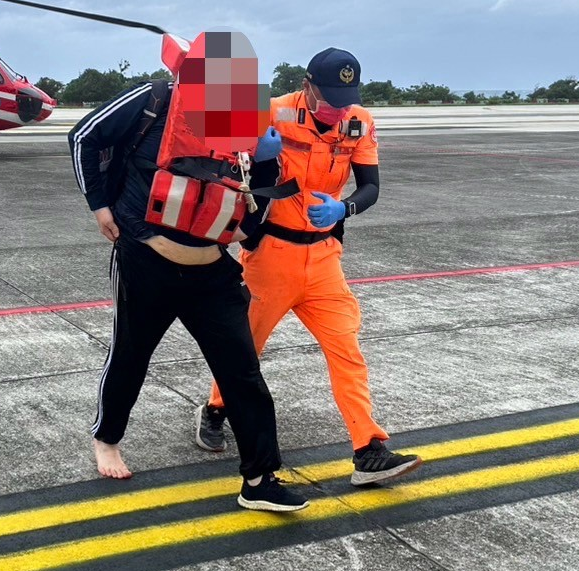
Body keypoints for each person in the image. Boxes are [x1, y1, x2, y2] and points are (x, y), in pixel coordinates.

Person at [70, 76, 309, 513]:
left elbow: (257, 195)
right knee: (130, 354)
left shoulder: (245, 119)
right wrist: (98, 205)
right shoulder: (155, 100)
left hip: (210, 272)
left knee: (242, 371)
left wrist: (267, 162)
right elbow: (84, 135)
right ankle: (107, 440)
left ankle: (259, 479)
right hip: (146, 260)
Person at [196, 48, 421, 486]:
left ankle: (368, 449)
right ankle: (216, 408)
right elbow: (222, 160)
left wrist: (345, 208)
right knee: (245, 348)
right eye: (332, 99)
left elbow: (371, 185)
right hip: (271, 257)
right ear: (308, 86)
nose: (340, 109)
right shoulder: (271, 112)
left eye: (347, 99)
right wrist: (260, 156)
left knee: (347, 349)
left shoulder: (359, 122)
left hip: (323, 258)